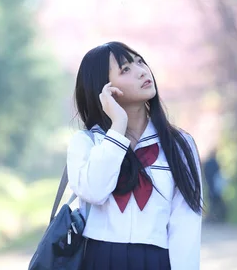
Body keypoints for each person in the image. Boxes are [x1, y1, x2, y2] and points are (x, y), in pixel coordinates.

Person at [67, 41, 203, 270]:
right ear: (104, 87)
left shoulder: (179, 145)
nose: (142, 71)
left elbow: (186, 224)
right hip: (98, 259)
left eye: (140, 62)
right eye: (125, 69)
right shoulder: (87, 143)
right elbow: (94, 191)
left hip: (156, 261)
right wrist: (118, 127)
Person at [203, 148, 228, 223]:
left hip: (210, 184)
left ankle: (212, 217)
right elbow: (218, 174)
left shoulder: (208, 163)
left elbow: (206, 173)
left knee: (212, 202)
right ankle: (213, 217)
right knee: (213, 202)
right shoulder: (215, 163)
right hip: (213, 185)